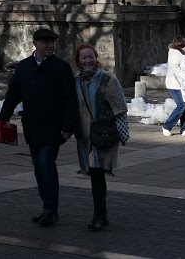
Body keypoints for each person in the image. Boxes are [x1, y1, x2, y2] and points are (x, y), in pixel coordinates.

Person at [0, 27, 79, 227]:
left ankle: (51, 209)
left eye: (52, 42)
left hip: (53, 126)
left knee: (46, 163)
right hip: (32, 125)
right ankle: (47, 207)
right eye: (45, 42)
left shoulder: (61, 67)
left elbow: (70, 99)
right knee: (38, 167)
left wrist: (68, 125)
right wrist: (4, 117)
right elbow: (13, 93)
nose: (50, 46)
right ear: (35, 44)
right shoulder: (24, 67)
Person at [73, 43, 128, 232]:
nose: (87, 60)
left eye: (90, 56)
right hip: (85, 137)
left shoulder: (107, 79)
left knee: (97, 174)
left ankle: (98, 215)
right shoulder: (76, 82)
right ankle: (102, 215)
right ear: (78, 60)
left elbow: (120, 107)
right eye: (83, 57)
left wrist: (123, 134)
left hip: (103, 134)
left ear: (96, 57)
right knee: (94, 174)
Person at [160, 37, 185, 136]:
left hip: (181, 84)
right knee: (182, 106)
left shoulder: (181, 53)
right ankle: (167, 126)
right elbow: (175, 69)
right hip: (175, 84)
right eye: (184, 45)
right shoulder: (175, 54)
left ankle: (184, 128)